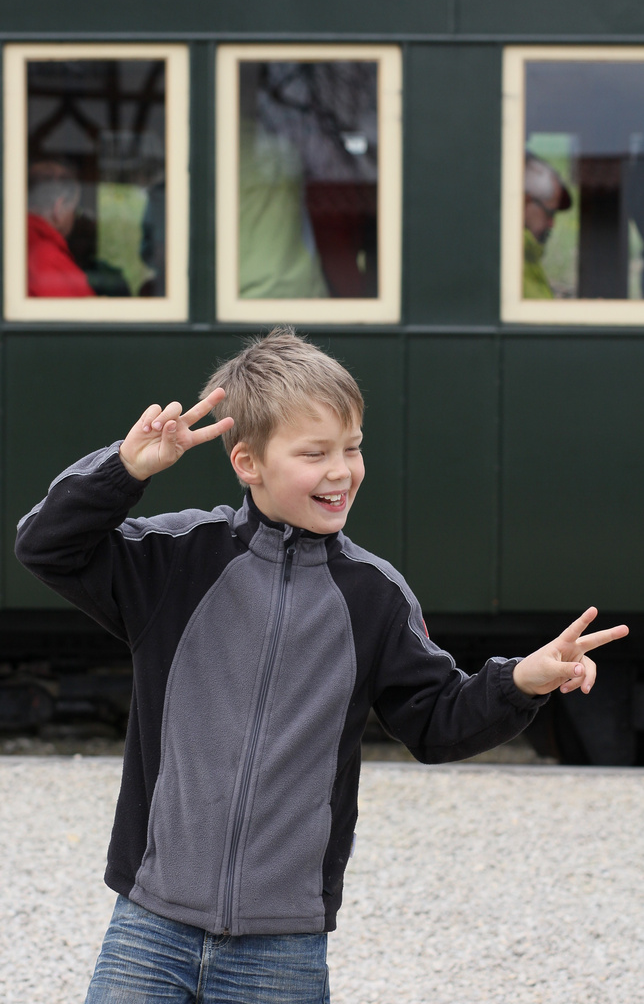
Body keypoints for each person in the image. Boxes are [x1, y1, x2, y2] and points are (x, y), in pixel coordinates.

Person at [14, 328, 628, 1004]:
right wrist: (124, 469)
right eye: (315, 454)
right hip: (150, 925)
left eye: (353, 448)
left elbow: (436, 722)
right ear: (248, 462)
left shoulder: (375, 595)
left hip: (282, 949)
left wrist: (519, 681)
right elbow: (47, 546)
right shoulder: (177, 559)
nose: (342, 471)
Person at [27, 161, 97, 298]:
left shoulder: (13, 247)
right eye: (74, 210)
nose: (74, 219)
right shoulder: (53, 267)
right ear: (58, 208)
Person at [523, 152, 572, 299]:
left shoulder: (529, 257)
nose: (552, 223)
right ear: (524, 202)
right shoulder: (509, 263)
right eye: (549, 213)